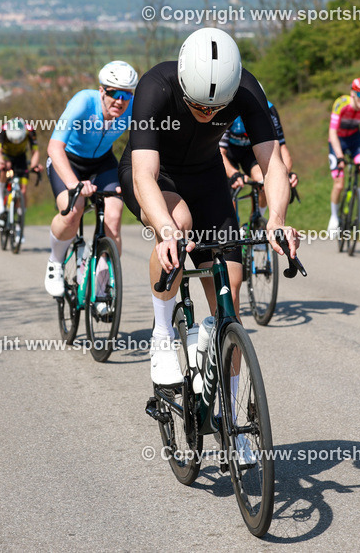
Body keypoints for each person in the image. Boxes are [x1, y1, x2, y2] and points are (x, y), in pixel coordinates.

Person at [119, 27, 300, 387]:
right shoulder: (156, 85)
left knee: (229, 295)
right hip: (157, 175)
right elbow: (143, 175)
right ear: (184, 86)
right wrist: (167, 231)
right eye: (198, 105)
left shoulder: (247, 90)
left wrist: (277, 218)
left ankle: (230, 414)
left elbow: (273, 164)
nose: (207, 113)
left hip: (207, 176)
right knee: (179, 222)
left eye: (216, 109)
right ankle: (163, 333)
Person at [43, 60, 138, 302]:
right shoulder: (83, 102)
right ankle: (55, 261)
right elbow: (54, 147)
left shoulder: (132, 108)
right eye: (114, 93)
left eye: (126, 95)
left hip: (102, 163)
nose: (120, 100)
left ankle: (103, 284)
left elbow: (143, 147)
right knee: (73, 210)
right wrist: (75, 183)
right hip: (68, 160)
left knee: (114, 218)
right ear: (101, 90)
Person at [220, 96, 299, 218]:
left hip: (252, 151)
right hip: (229, 151)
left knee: (263, 179)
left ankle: (257, 219)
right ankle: (233, 227)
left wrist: (285, 174)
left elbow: (282, 147)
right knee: (229, 189)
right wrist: (234, 174)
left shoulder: (269, 110)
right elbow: (220, 152)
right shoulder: (230, 108)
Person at [328, 78, 360, 230]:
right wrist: (339, 156)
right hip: (337, 140)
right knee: (339, 183)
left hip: (355, 139)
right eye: (359, 93)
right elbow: (332, 132)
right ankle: (334, 216)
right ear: (352, 93)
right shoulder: (340, 104)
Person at [0, 118, 41, 241]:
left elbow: (35, 151)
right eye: (14, 140)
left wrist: (34, 166)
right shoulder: (2, 130)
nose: (17, 142)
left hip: (21, 158)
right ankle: (0, 196)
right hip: (6, 156)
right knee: (2, 171)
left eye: (19, 140)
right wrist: (1, 162)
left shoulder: (30, 130)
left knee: (23, 191)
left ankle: (19, 223)